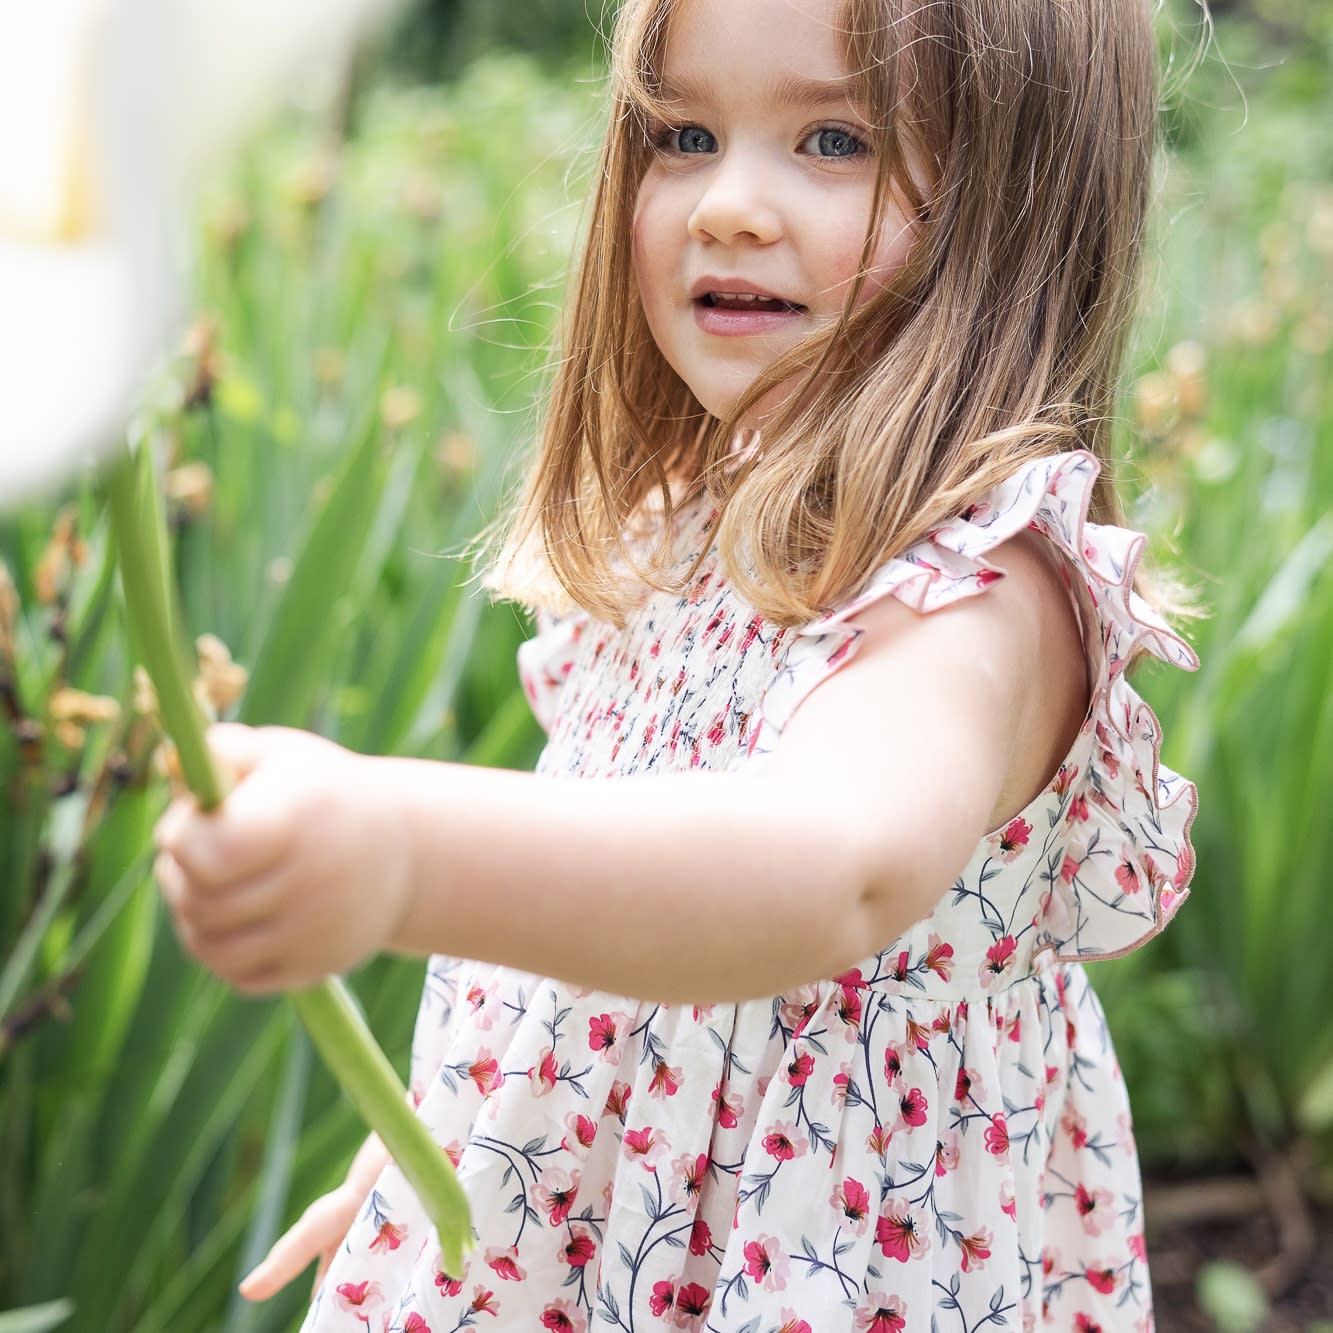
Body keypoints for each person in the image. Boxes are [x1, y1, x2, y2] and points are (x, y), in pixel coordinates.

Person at [152, 0, 1201, 1327]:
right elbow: (605, 956)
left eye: (834, 140)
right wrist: (446, 1133)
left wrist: (404, 853)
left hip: (798, 1261)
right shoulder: (696, 529)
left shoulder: (975, 598)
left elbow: (829, 867)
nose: (728, 207)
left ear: (1021, 202)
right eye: (684, 135)